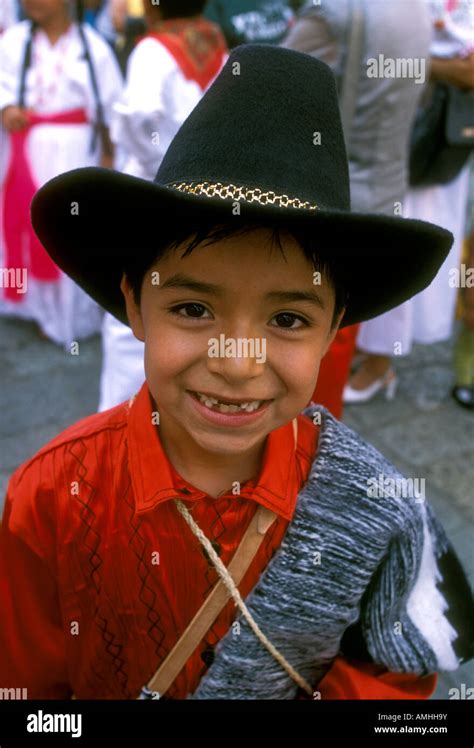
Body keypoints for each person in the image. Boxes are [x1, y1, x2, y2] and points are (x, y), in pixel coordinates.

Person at [1, 45, 472, 699]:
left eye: (287, 321)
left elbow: (402, 686)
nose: (238, 362)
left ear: (335, 330)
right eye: (194, 308)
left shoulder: (376, 508)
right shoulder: (49, 498)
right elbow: (27, 690)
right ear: (135, 305)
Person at [98, 0, 227, 411]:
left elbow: (139, 115)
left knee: (129, 310)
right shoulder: (213, 39)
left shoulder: (152, 49)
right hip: (206, 187)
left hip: (158, 192)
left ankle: (122, 414)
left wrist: (161, 167)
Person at [345, 0, 474, 402]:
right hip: (390, 123)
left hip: (434, 135)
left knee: (408, 236)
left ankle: (381, 360)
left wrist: (416, 62)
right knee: (378, 235)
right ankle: (370, 347)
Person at [0, 0, 122, 347]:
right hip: (25, 152)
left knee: (69, 232)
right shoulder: (13, 42)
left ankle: (72, 317)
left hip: (75, 154)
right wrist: (6, 107)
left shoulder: (93, 46)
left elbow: (112, 109)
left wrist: (111, 155)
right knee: (26, 228)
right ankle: (33, 309)